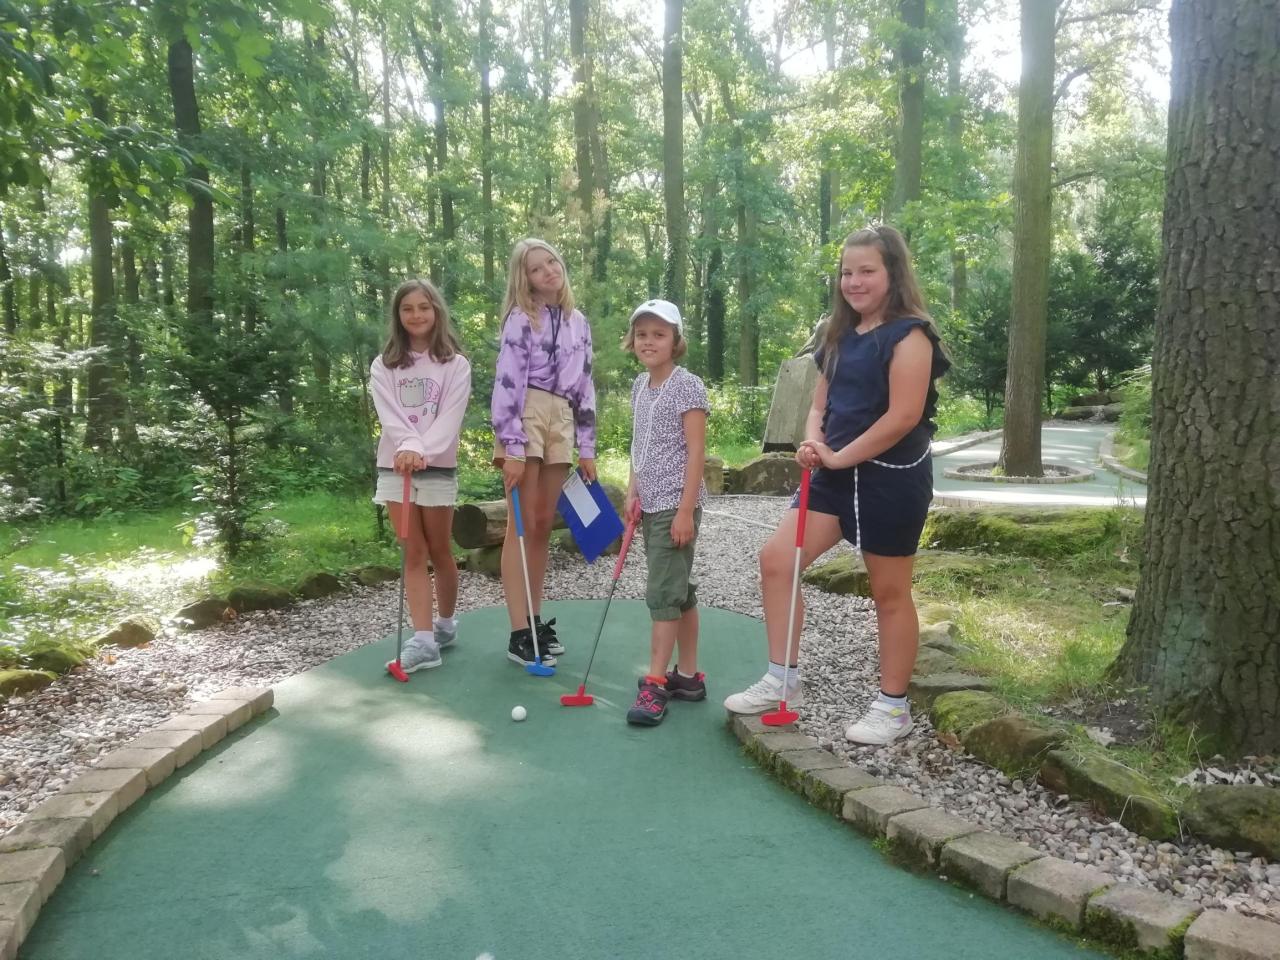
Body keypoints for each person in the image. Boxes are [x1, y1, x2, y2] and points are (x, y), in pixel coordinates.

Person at [724, 225, 950, 745]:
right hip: (832, 475)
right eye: (847, 272)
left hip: (891, 479)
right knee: (777, 560)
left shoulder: (912, 336)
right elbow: (819, 406)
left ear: (893, 273)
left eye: (867, 270)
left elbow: (902, 417)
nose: (854, 282)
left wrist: (838, 456)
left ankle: (893, 708)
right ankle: (782, 678)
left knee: (889, 591)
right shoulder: (838, 334)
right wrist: (813, 442)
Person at [491, 239, 597, 666]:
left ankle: (534, 621)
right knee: (519, 525)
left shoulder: (578, 321)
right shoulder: (521, 318)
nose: (549, 270)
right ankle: (518, 631)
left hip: (563, 416)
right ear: (526, 279)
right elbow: (507, 382)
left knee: (540, 526)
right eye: (537, 268)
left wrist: (587, 446)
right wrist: (513, 446)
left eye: (551, 261)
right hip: (526, 414)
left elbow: (585, 384)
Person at [370, 279, 471, 673]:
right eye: (407, 308)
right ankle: (424, 641)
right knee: (413, 551)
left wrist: (422, 450)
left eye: (424, 307)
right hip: (396, 465)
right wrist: (408, 446)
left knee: (440, 548)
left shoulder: (455, 365)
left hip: (437, 465)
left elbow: (450, 416)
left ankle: (445, 624)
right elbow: (390, 415)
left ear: (436, 311)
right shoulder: (384, 365)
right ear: (398, 315)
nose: (416, 315)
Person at [620, 299, 710, 726]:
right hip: (651, 503)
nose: (649, 342)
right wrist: (632, 490)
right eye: (642, 334)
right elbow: (639, 443)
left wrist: (685, 511)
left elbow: (696, 451)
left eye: (659, 334)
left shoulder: (687, 385)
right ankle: (687, 677)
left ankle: (655, 683)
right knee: (678, 590)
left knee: (662, 594)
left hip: (675, 504)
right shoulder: (640, 385)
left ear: (676, 341)